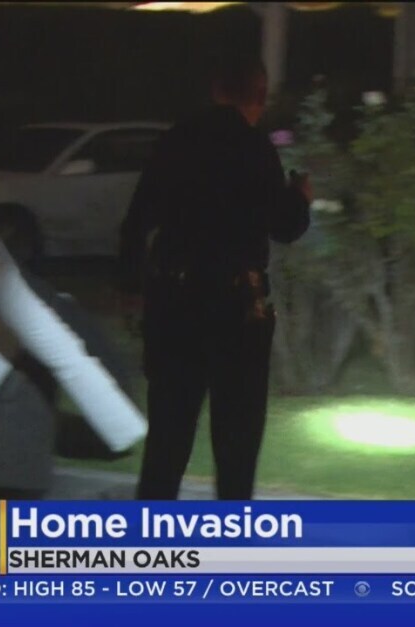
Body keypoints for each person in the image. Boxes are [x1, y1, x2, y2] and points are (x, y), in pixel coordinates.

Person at [119, 56, 312, 499]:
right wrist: (299, 198)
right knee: (236, 446)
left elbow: (136, 222)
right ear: (259, 96)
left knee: (166, 441)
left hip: (174, 302)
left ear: (216, 90)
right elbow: (284, 226)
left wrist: (132, 289)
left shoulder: (176, 140)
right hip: (236, 309)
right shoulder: (254, 147)